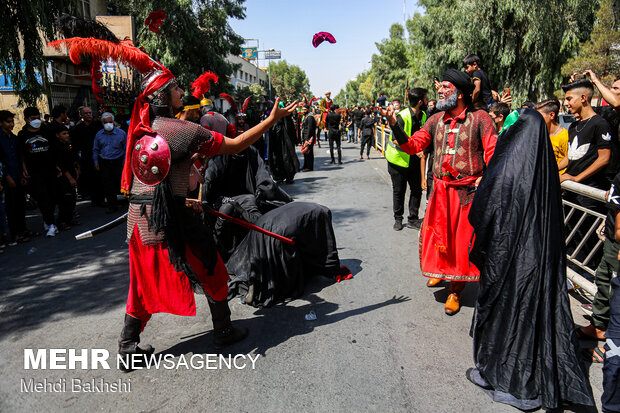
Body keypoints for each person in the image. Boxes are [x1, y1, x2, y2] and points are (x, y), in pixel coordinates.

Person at [466, 108, 594, 410]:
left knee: (506, 320)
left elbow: (483, 212)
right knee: (533, 320)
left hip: (508, 264)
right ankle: (529, 383)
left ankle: (510, 383)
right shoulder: (544, 165)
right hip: (540, 262)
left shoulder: (507, 166)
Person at [379, 69, 497, 315]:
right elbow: (412, 146)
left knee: (460, 244)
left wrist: (486, 179)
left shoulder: (482, 118)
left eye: (445, 87)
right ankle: (441, 273)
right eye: (440, 87)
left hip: (467, 194)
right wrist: (393, 125)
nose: (439, 91)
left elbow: (493, 154)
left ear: (460, 93)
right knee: (438, 238)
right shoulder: (435, 120)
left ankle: (456, 289)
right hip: (440, 191)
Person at [558, 79, 613, 206]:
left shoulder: (600, 124)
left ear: (583, 98)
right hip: (571, 190)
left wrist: (577, 178)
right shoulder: (573, 126)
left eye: (569, 99)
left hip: (589, 194)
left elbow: (604, 159)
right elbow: (571, 155)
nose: (566, 103)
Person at [386, 87, 427, 231]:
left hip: (414, 161)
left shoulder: (423, 115)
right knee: (399, 191)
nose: (428, 102)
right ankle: (398, 219)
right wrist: (414, 150)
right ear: (421, 101)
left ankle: (413, 219)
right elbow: (396, 139)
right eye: (427, 99)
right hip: (398, 160)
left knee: (416, 190)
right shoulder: (402, 116)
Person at [18, 107, 59, 236]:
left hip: (50, 169)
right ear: (26, 120)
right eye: (33, 119)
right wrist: (24, 169)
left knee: (52, 197)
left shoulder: (47, 131)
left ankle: (48, 220)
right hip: (34, 172)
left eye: (37, 118)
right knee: (43, 198)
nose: (36, 121)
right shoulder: (22, 135)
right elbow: (21, 155)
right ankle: (51, 224)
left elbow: (54, 150)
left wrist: (57, 166)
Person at [0, 110, 29, 245]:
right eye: (8, 121)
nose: (11, 124)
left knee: (20, 204)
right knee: (10, 207)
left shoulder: (14, 138)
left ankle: (23, 230)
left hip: (18, 174)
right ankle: (14, 233)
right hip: (7, 177)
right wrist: (7, 176)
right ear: (1, 123)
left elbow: (19, 157)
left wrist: (23, 172)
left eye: (12, 121)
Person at [93, 112, 127, 213]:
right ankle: (112, 205)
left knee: (121, 182)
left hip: (118, 161)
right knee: (108, 184)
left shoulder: (121, 133)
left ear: (113, 122)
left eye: (110, 122)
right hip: (105, 162)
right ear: (102, 123)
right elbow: (95, 149)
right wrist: (96, 162)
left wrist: (124, 161)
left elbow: (126, 149)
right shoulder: (99, 135)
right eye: (106, 122)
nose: (108, 124)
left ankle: (128, 203)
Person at [71, 106, 105, 206]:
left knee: (100, 178)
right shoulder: (77, 129)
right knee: (91, 178)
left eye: (90, 113)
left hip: (99, 155)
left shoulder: (97, 125)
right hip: (86, 157)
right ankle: (94, 199)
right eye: (86, 113)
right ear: (81, 115)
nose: (89, 115)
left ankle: (101, 199)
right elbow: (75, 146)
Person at [52, 123, 79, 230]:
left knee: (72, 198)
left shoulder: (67, 145)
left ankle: (69, 219)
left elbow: (72, 160)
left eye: (67, 133)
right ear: (57, 135)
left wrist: (76, 170)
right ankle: (62, 221)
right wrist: (70, 178)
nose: (67, 135)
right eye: (64, 134)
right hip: (63, 177)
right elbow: (61, 165)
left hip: (71, 172)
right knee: (65, 199)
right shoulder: (57, 148)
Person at [534, 99, 568, 173]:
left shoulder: (564, 136)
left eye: (539, 116)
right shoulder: (539, 134)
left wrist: (552, 170)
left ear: (551, 115)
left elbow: (569, 158)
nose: (536, 120)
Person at [268, 109, 299, 183]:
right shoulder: (275, 123)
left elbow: (291, 131)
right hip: (278, 145)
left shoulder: (285, 122)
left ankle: (286, 176)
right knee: (278, 159)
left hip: (285, 145)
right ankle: (280, 176)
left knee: (286, 159)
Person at [300, 104, 317, 171]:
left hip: (309, 138)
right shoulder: (306, 116)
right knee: (305, 152)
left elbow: (309, 129)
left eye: (305, 110)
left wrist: (307, 139)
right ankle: (305, 165)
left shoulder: (310, 117)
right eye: (303, 109)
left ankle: (309, 167)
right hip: (305, 137)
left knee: (309, 152)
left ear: (308, 110)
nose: (303, 111)